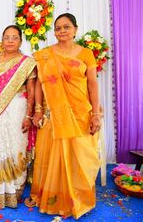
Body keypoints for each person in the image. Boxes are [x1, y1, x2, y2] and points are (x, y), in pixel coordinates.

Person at [24, 13, 101, 219]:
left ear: (75, 29)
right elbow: (40, 84)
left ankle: (78, 197)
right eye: (58, 28)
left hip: (79, 113)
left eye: (66, 27)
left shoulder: (86, 54)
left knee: (80, 156)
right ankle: (54, 198)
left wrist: (96, 114)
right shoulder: (46, 55)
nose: (62, 31)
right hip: (54, 114)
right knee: (52, 156)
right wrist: (38, 110)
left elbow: (92, 84)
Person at [0, 25, 36, 209]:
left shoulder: (27, 62)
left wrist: (29, 115)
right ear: (2, 39)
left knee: (15, 146)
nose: (10, 41)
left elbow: (31, 90)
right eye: (7, 37)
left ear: (21, 41)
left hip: (18, 109)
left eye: (14, 38)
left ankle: (14, 189)